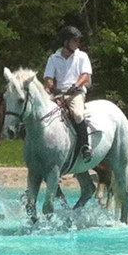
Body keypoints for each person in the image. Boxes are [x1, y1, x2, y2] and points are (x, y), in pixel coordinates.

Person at [43, 24, 93, 159]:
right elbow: (48, 77)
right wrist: (52, 87)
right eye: (75, 40)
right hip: (59, 93)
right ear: (66, 42)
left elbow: (85, 76)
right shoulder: (53, 58)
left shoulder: (82, 56)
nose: (78, 43)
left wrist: (75, 86)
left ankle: (85, 146)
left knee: (77, 114)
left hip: (75, 93)